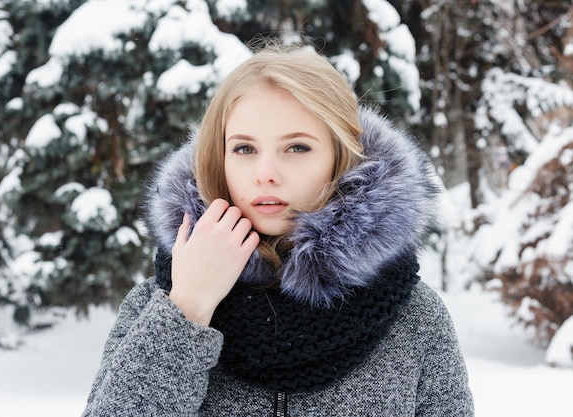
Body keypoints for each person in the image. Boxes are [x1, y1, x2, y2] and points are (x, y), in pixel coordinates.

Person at [82, 44, 474, 416]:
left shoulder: (414, 318)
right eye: (244, 149)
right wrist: (188, 308)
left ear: (341, 157)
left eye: (297, 147)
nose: (265, 174)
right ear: (217, 160)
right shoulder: (158, 304)